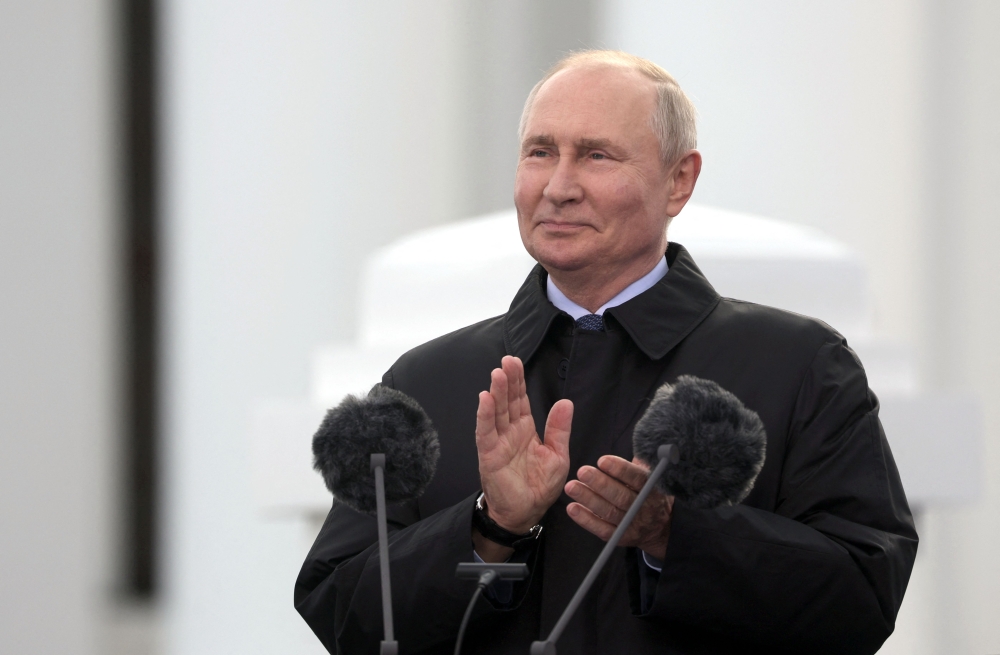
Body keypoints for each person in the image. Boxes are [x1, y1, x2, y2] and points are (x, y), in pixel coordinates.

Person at [295, 50, 917, 655]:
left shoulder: (798, 364)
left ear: (679, 180)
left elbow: (864, 598)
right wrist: (490, 527)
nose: (559, 187)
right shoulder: (427, 378)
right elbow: (342, 614)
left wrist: (676, 536)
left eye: (596, 155)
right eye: (540, 152)